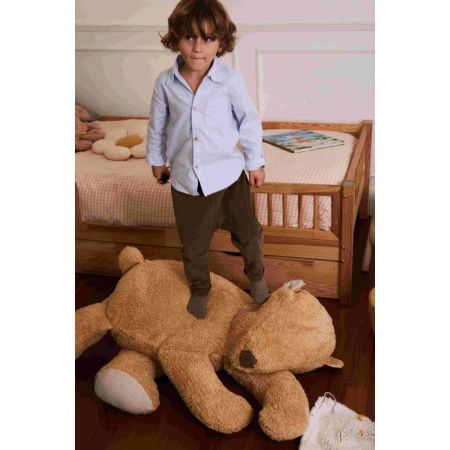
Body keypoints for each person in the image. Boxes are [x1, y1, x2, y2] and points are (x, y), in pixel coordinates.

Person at [146, 0, 268, 319]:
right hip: (187, 183)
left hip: (229, 179)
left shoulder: (230, 81)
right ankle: (200, 289)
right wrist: (157, 161)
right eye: (189, 37)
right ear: (176, 38)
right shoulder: (165, 83)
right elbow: (157, 125)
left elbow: (249, 121)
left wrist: (255, 162)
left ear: (221, 43)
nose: (198, 48)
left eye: (208, 39)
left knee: (249, 235)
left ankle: (256, 277)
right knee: (193, 247)